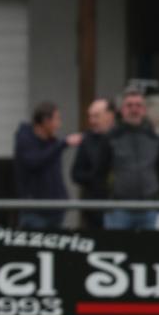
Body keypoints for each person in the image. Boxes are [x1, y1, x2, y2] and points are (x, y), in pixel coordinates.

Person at [97, 87, 159, 230]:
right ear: (122, 110)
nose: (134, 109)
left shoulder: (154, 137)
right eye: (129, 105)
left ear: (144, 110)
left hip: (148, 207)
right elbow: (99, 172)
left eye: (138, 105)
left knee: (147, 251)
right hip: (118, 208)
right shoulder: (111, 137)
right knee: (116, 248)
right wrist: (105, 203)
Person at [13, 102, 82, 229]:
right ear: (45, 121)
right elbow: (34, 162)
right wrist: (63, 144)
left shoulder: (52, 142)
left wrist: (63, 197)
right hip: (34, 212)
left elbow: (55, 176)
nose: (59, 125)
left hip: (56, 210)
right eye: (57, 119)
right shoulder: (25, 140)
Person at [70, 98, 115, 229]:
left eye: (96, 116)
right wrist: (96, 178)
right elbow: (76, 173)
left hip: (119, 205)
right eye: (90, 116)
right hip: (93, 206)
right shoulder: (87, 140)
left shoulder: (120, 137)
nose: (92, 121)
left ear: (110, 115)